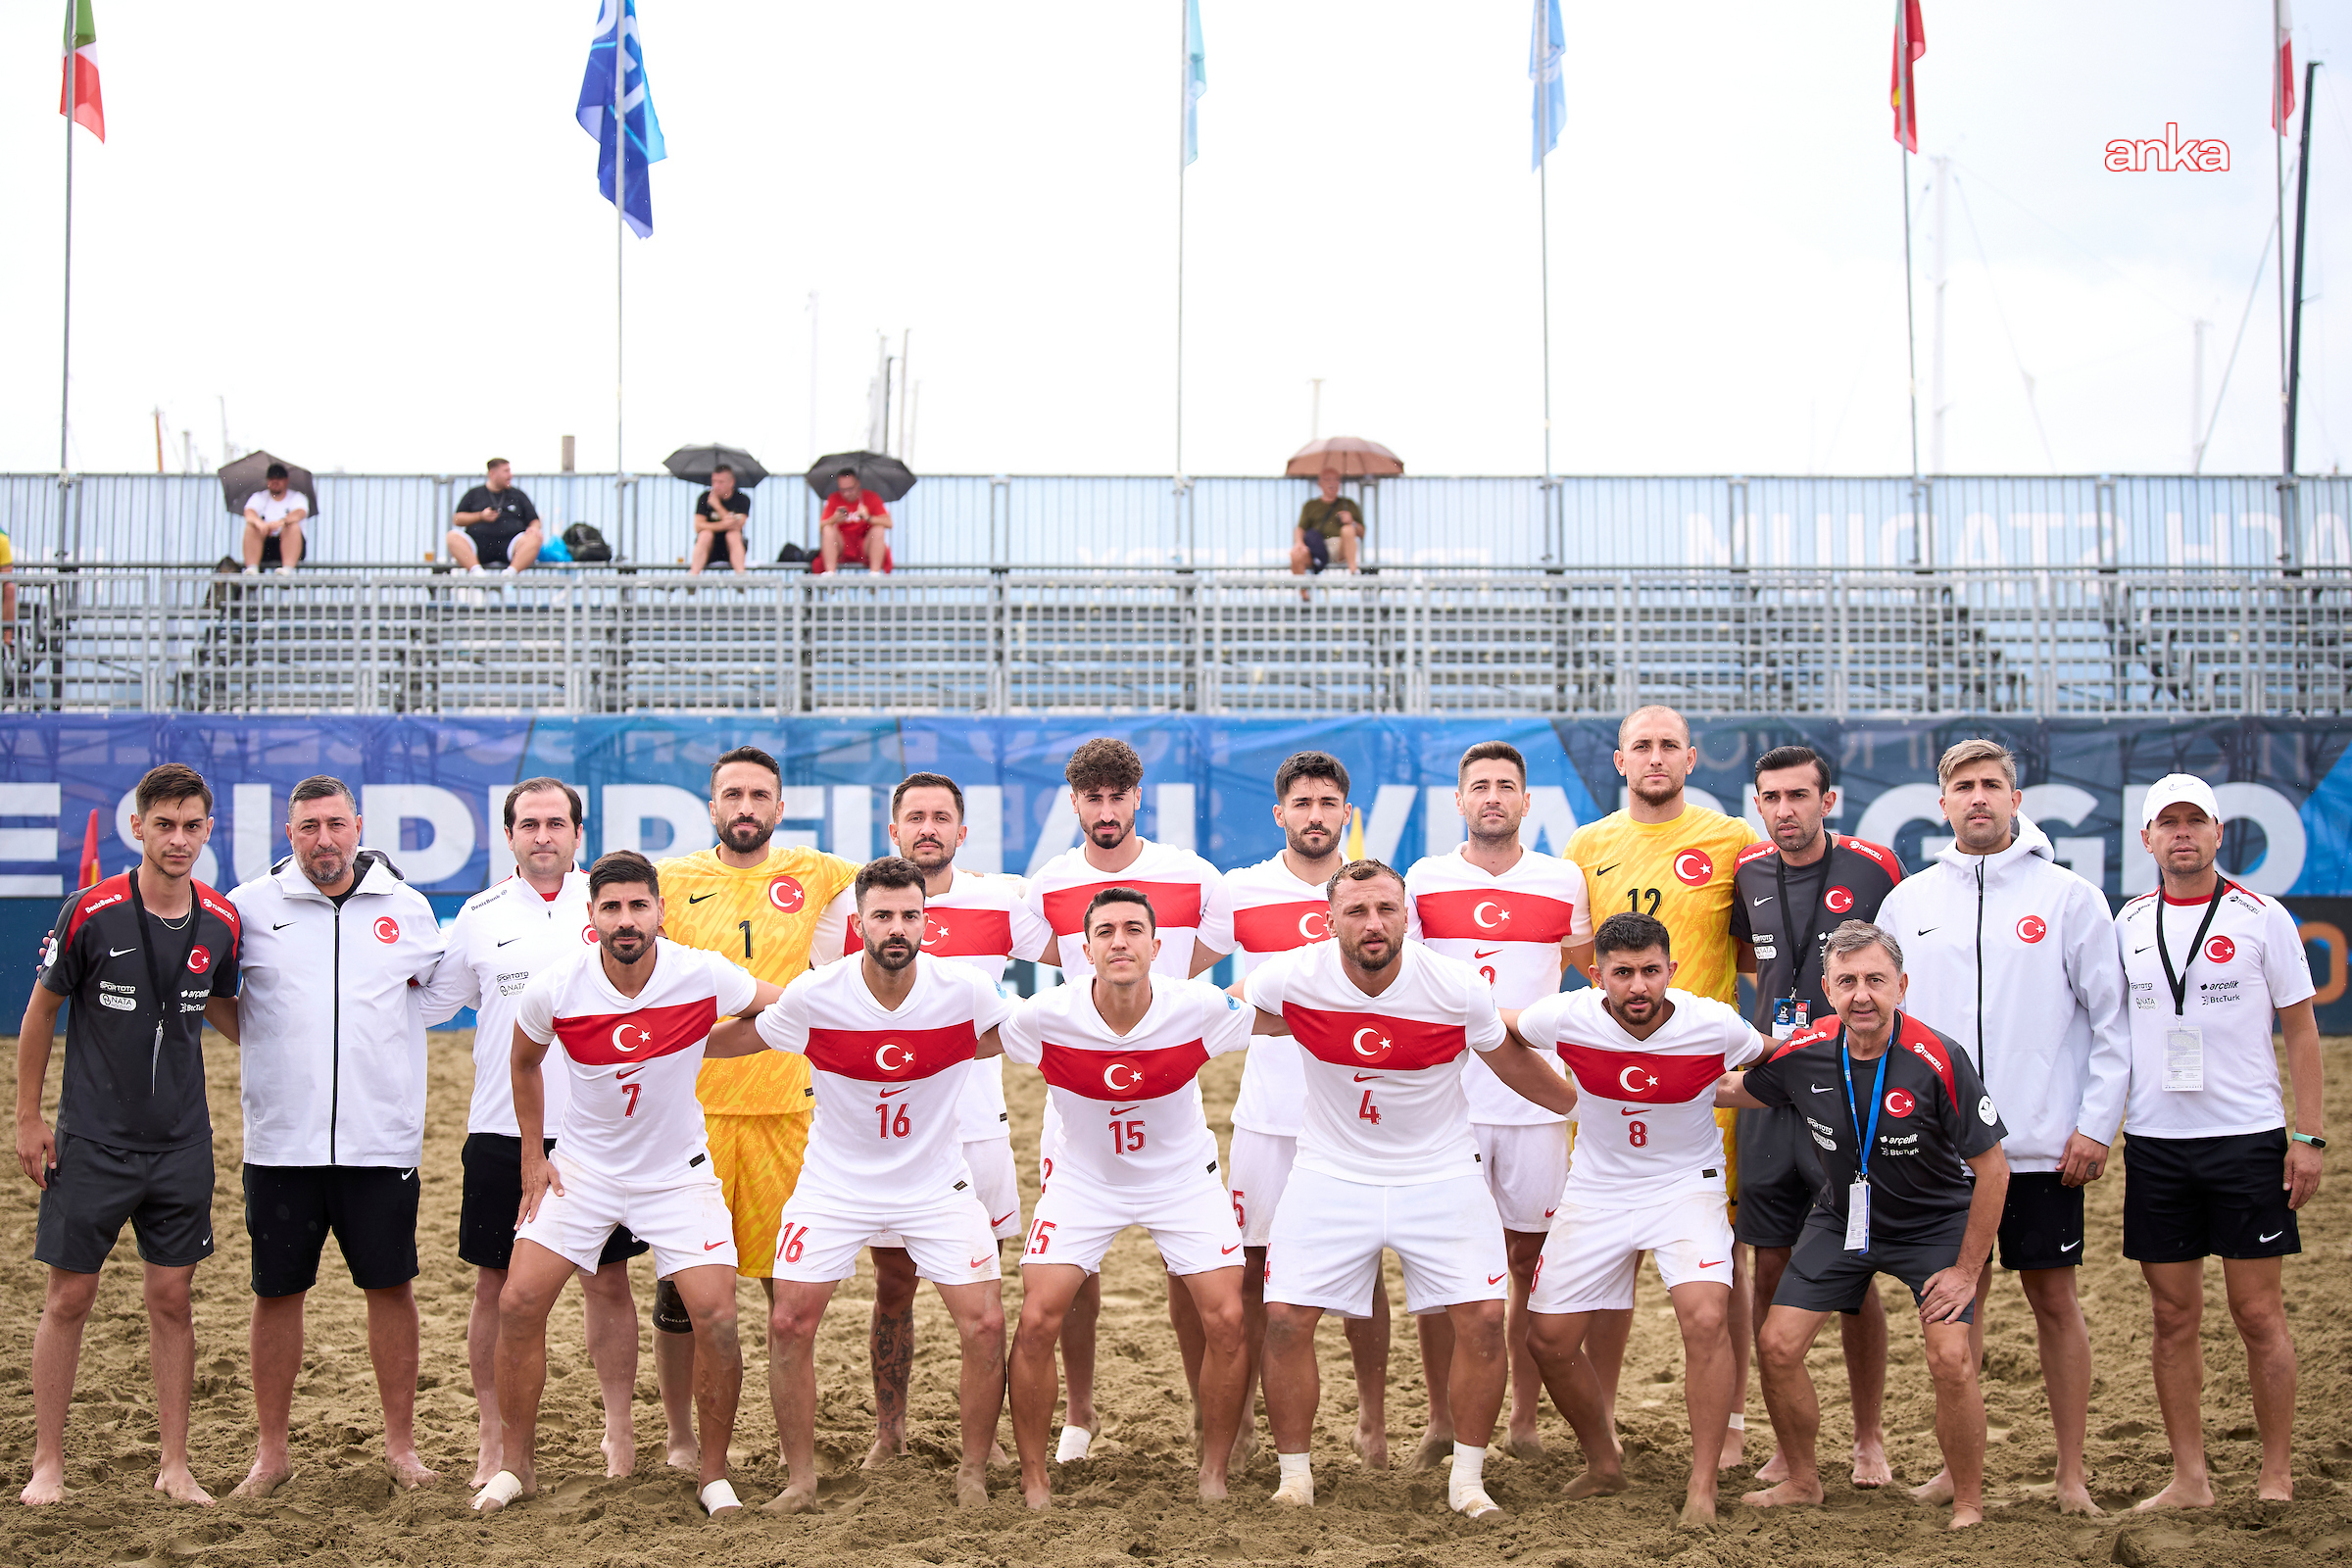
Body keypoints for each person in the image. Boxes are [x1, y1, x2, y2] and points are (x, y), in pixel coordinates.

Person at [1241, 859, 1577, 1520]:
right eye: (1357, 911)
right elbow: (1220, 1015)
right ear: (1328, 921)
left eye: (1386, 910)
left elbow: (1511, 1062)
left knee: (1483, 1320)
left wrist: (1584, 1109)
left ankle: (1468, 1482)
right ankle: (1294, 1480)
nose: (1373, 924)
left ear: (1406, 917)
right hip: (1330, 1170)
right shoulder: (1290, 977)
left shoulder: (1456, 987)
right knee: (1283, 1320)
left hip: (1440, 1171)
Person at [476, 851, 783, 1517]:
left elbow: (777, 1011)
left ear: (660, 912)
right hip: (583, 1170)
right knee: (517, 1302)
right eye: (611, 907)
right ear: (591, 917)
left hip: (677, 1175)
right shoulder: (556, 987)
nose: (626, 920)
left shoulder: (700, 973)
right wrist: (533, 1156)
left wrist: (703, 1043)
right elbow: (523, 1063)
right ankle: (516, 1467)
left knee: (718, 1316)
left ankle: (712, 1475)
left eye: (638, 906)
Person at [1876, 737, 2129, 1516]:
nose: (1978, 797)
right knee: (1958, 1310)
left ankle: (2071, 1474)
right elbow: (1885, 1025)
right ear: (1943, 804)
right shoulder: (1909, 902)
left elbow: (2112, 1020)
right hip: (1942, 1156)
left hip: (2044, 1148)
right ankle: (1959, 1472)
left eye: (1991, 784)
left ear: (2016, 800)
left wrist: (2096, 1125)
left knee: (2055, 1302)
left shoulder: (2068, 897)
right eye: (1964, 787)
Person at [716, 856, 1015, 1511]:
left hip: (936, 1185)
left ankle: (971, 1472)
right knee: (788, 1322)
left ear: (926, 921)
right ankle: (800, 1481)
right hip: (835, 1185)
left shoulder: (965, 992)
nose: (897, 927)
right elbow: (742, 1039)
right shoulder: (816, 994)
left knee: (987, 1323)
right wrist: (662, 1044)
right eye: (882, 916)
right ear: (858, 924)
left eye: (910, 915)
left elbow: (1023, 1036)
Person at [1725, 921, 2011, 1531]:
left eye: (1876, 981)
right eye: (1848, 981)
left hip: (1932, 1226)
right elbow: (1736, 1090)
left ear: (1901, 986)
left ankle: (1967, 1501)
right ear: (1827, 989)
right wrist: (1638, 1072)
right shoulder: (1805, 1049)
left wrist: (1966, 1272)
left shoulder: (1939, 1057)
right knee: (1776, 1345)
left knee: (1950, 1357)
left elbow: (1994, 1170)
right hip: (1841, 1219)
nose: (1862, 995)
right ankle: (1802, 1480)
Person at [16, 763, 241, 1507]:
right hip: (92, 1141)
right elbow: (41, 1013)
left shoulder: (222, 919)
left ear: (209, 830)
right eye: (164, 825)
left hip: (183, 1145)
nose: (178, 839)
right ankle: (47, 1464)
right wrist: (27, 1118)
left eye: (192, 826)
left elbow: (225, 1009)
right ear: (137, 827)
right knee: (69, 1298)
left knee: (172, 1300)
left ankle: (175, 1466)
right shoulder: (91, 910)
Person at [1505, 912, 1770, 1529]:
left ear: (1671, 970)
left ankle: (1702, 1486)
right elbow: (1498, 1030)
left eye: (1651, 971)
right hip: (1597, 1188)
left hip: (1685, 1186)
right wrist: (1563, 1099)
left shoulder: (1712, 1023)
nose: (1639, 986)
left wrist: (1710, 1088)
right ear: (1596, 976)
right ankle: (1604, 1463)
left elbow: (1779, 1067)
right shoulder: (1566, 1015)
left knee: (1706, 1317)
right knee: (1548, 1341)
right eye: (1622, 973)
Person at [415, 779, 645, 1487]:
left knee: (607, 1281)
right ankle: (494, 1438)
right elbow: (431, 1005)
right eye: (529, 824)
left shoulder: (613, 907)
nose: (543, 836)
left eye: (556, 823)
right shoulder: (478, 916)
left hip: (600, 1131)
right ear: (509, 835)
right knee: (495, 1287)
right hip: (501, 1129)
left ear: (578, 833)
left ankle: (618, 1429)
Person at [225, 776, 446, 1497]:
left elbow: (434, 995)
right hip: (281, 1143)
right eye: (308, 827)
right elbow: (219, 999)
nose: (323, 840)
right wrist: (268, 1046)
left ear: (357, 826)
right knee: (276, 1293)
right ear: (289, 834)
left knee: (391, 1288)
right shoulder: (249, 907)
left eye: (335, 825)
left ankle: (402, 1448)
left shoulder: (407, 908)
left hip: (379, 1142)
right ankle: (271, 1454)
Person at [999, 888, 1252, 1508]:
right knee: (1037, 1319)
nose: (1120, 942)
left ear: (1157, 947)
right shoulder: (1043, 1016)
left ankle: (1213, 1473)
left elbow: (1295, 1017)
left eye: (1134, 930)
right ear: (1083, 949)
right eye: (1105, 932)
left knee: (1227, 1318)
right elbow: (952, 1043)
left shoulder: (1196, 1006)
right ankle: (1035, 1479)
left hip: (1182, 1181)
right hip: (1084, 1181)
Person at [1024, 736, 1235, 1461]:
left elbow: (1204, 956)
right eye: (1094, 798)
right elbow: (1060, 959)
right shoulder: (1048, 884)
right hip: (1078, 1100)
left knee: (1188, 1265)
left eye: (1119, 796)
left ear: (1138, 797)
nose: (1107, 810)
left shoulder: (1192, 876)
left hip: (1168, 1090)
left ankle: (1205, 1412)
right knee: (1074, 1271)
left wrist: (1158, 999)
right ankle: (1079, 1416)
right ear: (1075, 803)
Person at [2115, 773, 2324, 1508]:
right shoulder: (2127, 923)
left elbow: (2302, 1030)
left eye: (2195, 821)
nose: (2182, 834)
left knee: (2258, 1314)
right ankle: (2190, 1479)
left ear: (2218, 832)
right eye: (2168, 823)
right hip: (2156, 1143)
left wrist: (2309, 1135)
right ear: (2146, 838)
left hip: (2247, 1139)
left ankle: (2276, 1474)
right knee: (2172, 1318)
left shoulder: (2263, 917)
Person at [653, 745, 858, 1470]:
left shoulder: (820, 872)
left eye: (759, 796)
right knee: (681, 1294)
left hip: (786, 1110)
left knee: (786, 1292)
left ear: (779, 806)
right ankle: (681, 1439)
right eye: (733, 795)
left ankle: (787, 1439)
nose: (746, 808)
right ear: (712, 806)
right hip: (692, 1113)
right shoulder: (670, 880)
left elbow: (907, 884)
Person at [1563, 704, 1760, 1459]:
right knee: (1610, 1257)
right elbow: (1577, 958)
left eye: (1668, 745)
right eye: (1641, 746)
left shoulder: (1732, 840)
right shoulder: (1587, 846)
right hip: (1610, 1082)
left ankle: (1731, 1425)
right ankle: (1605, 1418)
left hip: (1706, 1089)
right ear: (1620, 761)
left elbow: (1754, 957)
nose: (1655, 757)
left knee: (1724, 1258)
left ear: (1691, 758)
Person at [853, 773, 1051, 1470]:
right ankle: (889, 1433)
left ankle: (985, 1438)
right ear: (894, 830)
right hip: (891, 1130)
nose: (928, 828)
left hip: (976, 1125)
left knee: (983, 1292)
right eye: (915, 817)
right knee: (893, 1286)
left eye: (941, 817)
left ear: (962, 832)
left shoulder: (1002, 900)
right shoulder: (861, 905)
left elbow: (1083, 945)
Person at [1403, 740, 1592, 1465]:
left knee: (1528, 1261)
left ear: (1525, 801)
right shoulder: (1424, 879)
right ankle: (1440, 1421)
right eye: (1479, 785)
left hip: (1533, 1103)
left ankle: (1523, 1418)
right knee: (1439, 1265)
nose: (1492, 797)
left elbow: (1588, 974)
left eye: (1505, 786)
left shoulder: (1562, 879)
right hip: (1446, 1102)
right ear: (1458, 801)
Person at [1727, 744, 1899, 1488]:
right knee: (1768, 1264)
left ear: (1827, 801)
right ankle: (1785, 1440)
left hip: (1850, 1090)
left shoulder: (1876, 867)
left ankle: (1868, 1438)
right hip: (1772, 1089)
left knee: (1854, 1271)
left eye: (1799, 795)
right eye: (1771, 797)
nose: (1785, 810)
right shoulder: (1748, 870)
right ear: (1758, 804)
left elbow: (1898, 968)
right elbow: (1750, 961)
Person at [1222, 752, 1393, 1470]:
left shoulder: (1375, 892)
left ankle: (1372, 1422)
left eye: (1328, 803)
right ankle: (1243, 1422)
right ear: (1280, 814)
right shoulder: (1239, 890)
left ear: (1346, 813)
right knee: (1252, 1272)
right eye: (1302, 803)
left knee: (1364, 1272)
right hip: (1267, 1116)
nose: (1316, 815)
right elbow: (1200, 985)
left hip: (1353, 1115)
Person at [447, 458, 544, 575]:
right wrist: (480, 516)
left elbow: (534, 520)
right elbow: (457, 519)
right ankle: (477, 573)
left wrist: (534, 528)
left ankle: (510, 574)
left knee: (535, 537)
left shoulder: (518, 495)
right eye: (506, 471)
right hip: (478, 547)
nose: (510, 475)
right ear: (492, 474)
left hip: (511, 546)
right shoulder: (474, 494)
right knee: (452, 536)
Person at [817, 466, 893, 574]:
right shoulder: (834, 498)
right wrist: (833, 519)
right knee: (828, 529)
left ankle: (874, 573)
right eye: (843, 490)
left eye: (850, 489)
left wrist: (868, 518)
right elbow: (822, 526)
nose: (846, 494)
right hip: (843, 545)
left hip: (864, 545)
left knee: (879, 529)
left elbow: (889, 523)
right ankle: (830, 573)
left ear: (858, 484)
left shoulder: (871, 497)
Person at [1290, 468, 1363, 576]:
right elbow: (1300, 529)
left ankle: (1354, 572)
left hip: (1340, 548)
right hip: (1318, 547)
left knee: (1348, 529)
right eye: (1327, 479)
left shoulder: (1349, 504)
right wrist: (1299, 543)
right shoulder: (1310, 505)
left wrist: (1352, 522)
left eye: (1336, 479)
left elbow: (1362, 533)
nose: (1332, 483)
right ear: (1319, 483)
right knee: (1296, 554)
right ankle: (1302, 587)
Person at [240, 464, 309, 575]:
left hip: (292, 548)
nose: (275, 481)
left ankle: (287, 570)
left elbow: (300, 513)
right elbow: (249, 513)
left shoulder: (297, 497)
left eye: (279, 478)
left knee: (292, 526)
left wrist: (280, 523)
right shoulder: (259, 497)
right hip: (265, 548)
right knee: (251, 526)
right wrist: (260, 523)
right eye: (271, 478)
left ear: (286, 480)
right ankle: (252, 569)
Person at [688, 465, 751, 576]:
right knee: (705, 534)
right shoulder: (704, 498)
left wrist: (717, 506)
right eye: (714, 481)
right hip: (709, 548)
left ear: (731, 482)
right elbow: (698, 526)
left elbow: (738, 526)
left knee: (733, 534)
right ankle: (693, 575)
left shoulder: (742, 499)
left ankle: (741, 575)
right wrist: (725, 524)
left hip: (731, 549)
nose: (716, 486)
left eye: (721, 482)